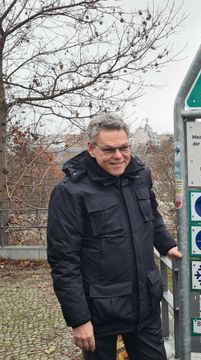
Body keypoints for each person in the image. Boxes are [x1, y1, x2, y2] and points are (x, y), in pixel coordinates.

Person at [47, 113, 182, 360]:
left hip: (144, 303)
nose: (119, 156)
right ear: (91, 148)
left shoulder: (140, 174)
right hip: (99, 311)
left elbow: (151, 217)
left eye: (124, 147)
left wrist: (167, 245)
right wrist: (79, 320)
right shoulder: (70, 192)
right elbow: (64, 261)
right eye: (109, 150)